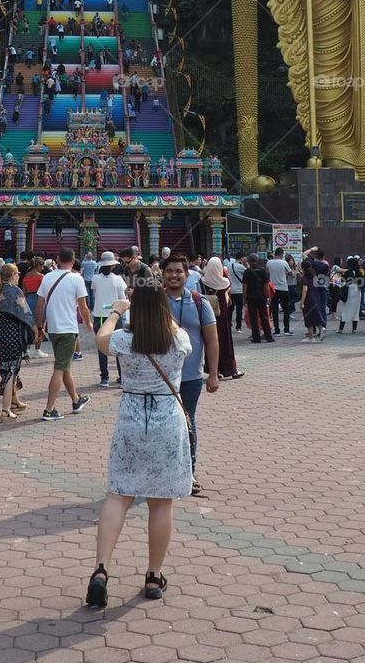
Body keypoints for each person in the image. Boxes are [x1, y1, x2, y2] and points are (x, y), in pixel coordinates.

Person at [85, 286, 192, 607]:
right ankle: (153, 575)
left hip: (131, 416)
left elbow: (99, 340)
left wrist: (117, 310)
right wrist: (157, 309)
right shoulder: (178, 340)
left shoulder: (123, 340)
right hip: (167, 420)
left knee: (118, 495)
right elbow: (173, 330)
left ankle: (101, 570)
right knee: (161, 502)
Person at [163, 254, 219, 495]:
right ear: (162, 274)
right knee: (161, 426)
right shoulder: (155, 302)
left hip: (191, 377)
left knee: (187, 423)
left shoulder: (199, 302)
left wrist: (213, 373)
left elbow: (212, 339)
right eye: (170, 271)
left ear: (187, 275)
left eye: (179, 271)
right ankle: (162, 473)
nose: (174, 275)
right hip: (160, 379)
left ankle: (189, 472)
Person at [35, 247, 92, 421]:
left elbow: (39, 304)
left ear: (58, 260)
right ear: (74, 261)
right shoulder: (77, 279)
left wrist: (39, 326)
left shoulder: (47, 277)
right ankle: (49, 409)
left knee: (64, 365)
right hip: (68, 328)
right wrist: (88, 323)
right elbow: (83, 306)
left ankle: (76, 400)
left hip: (53, 329)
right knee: (60, 368)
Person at [0, 263, 34, 420]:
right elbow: (26, 314)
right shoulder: (15, 291)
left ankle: (14, 400)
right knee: (10, 371)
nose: (19, 275)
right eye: (17, 273)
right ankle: (5, 408)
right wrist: (36, 330)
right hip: (13, 336)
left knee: (10, 368)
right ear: (12, 275)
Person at [201, 257, 242, 379]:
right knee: (225, 343)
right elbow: (228, 300)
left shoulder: (202, 281)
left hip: (207, 317)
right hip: (222, 317)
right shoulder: (225, 283)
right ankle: (230, 369)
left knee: (210, 342)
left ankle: (214, 370)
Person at [91, 252, 127, 387]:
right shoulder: (118, 279)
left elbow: (95, 295)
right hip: (115, 315)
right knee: (119, 345)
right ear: (113, 266)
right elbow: (122, 299)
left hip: (99, 315)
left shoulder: (95, 278)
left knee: (101, 347)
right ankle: (122, 377)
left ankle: (104, 377)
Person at [300, 248, 330, 342]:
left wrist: (312, 249)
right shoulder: (326, 266)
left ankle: (313, 331)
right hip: (323, 287)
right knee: (322, 308)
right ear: (323, 257)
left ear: (316, 256)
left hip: (313, 289)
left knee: (313, 310)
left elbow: (303, 254)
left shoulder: (312, 264)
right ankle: (323, 327)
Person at [243, 256, 273, 343]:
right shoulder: (262, 271)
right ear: (257, 260)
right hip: (261, 296)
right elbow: (266, 285)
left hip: (251, 297)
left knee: (253, 317)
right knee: (264, 316)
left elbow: (245, 286)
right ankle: (269, 337)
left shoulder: (247, 272)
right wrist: (268, 297)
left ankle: (256, 337)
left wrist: (244, 298)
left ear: (248, 261)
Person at [266, 248, 293, 336]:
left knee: (274, 310)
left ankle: (277, 330)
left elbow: (267, 273)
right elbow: (291, 273)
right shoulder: (284, 263)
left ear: (275, 253)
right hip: (283, 287)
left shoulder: (269, 262)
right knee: (286, 309)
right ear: (282, 254)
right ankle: (286, 329)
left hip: (273, 288)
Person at [337, 256, 363, 334]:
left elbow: (342, 281)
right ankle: (354, 329)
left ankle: (341, 329)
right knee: (356, 310)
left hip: (349, 291)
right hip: (357, 291)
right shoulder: (359, 272)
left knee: (346, 309)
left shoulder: (347, 272)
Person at [225, 254, 245, 330]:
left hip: (230, 291)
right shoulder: (241, 267)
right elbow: (247, 273)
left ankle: (229, 324)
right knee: (239, 310)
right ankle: (238, 326)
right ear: (242, 258)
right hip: (239, 291)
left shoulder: (228, 266)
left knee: (230, 309)